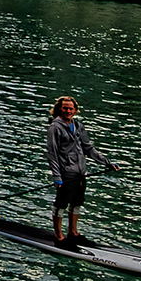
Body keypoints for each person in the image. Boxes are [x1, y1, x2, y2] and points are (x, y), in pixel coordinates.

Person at [46, 95, 122, 244]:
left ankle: (73, 233)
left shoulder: (78, 126)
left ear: (75, 110)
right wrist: (56, 176)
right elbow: (52, 153)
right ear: (59, 109)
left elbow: (89, 148)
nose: (68, 111)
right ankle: (59, 236)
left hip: (80, 172)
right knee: (61, 203)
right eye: (65, 108)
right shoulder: (55, 127)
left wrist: (107, 163)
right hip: (66, 173)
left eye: (71, 108)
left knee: (77, 202)